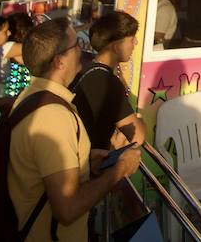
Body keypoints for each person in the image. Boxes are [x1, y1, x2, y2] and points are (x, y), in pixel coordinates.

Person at [9, 19, 142, 242]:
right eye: (75, 46)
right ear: (59, 62)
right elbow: (67, 209)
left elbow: (42, 169)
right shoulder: (53, 117)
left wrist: (85, 163)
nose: (82, 49)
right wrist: (119, 170)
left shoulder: (31, 96)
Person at [71, 11, 150, 151]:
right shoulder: (106, 82)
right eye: (131, 39)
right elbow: (138, 136)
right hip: (91, 166)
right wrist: (141, 122)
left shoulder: (85, 69)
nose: (136, 43)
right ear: (116, 46)